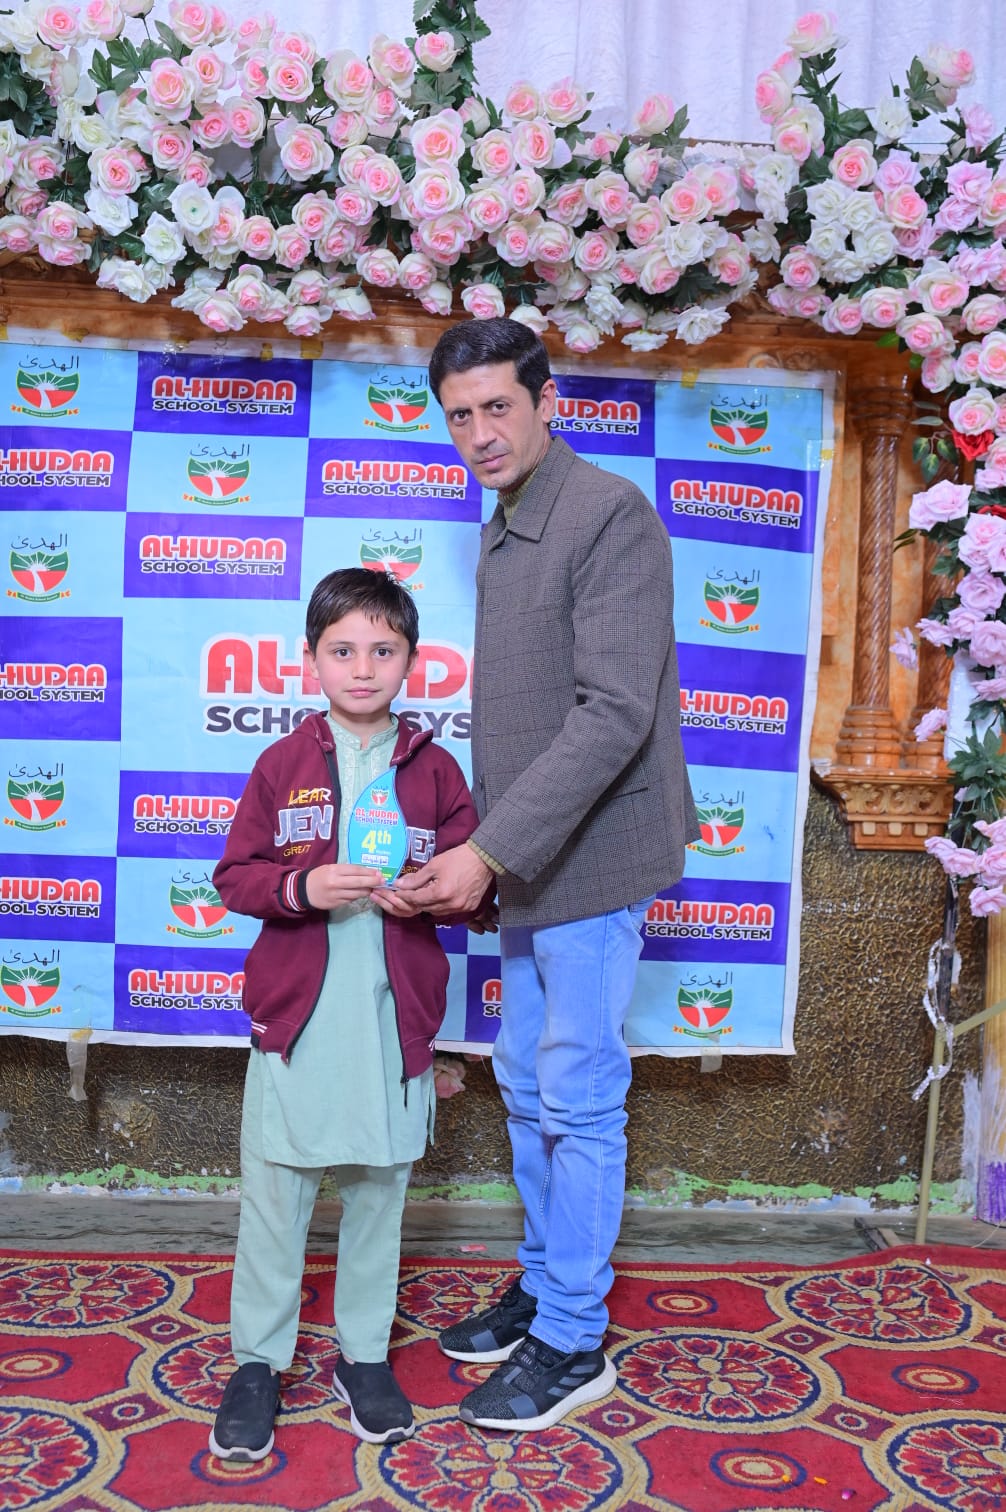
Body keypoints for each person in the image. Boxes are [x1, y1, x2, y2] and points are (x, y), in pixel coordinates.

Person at [394, 316, 698, 1433]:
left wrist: (485, 851)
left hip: (596, 854)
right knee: (526, 1082)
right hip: (532, 858)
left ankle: (574, 1336)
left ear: (547, 401)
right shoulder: (507, 519)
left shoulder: (608, 513)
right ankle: (543, 1282)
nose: (479, 432)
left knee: (576, 1093)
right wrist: (490, 848)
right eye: (458, 416)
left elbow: (614, 713)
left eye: (497, 407)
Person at [207, 567, 481, 1458]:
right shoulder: (281, 765)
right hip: (299, 1028)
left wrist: (436, 893)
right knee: (275, 1201)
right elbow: (236, 877)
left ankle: (363, 1356)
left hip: (390, 1029)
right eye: (343, 650)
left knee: (378, 1199)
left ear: (412, 661)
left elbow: (477, 891)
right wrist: (304, 887)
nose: (363, 668)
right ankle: (258, 1362)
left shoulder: (436, 771)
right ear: (311, 660)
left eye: (383, 650)